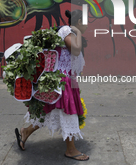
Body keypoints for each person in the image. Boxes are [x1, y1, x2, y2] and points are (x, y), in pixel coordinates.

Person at [15, 9, 89, 161]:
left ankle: (26, 131)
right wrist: (79, 33)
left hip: (66, 79)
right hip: (62, 81)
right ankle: (71, 150)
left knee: (50, 112)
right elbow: (75, 51)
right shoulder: (67, 30)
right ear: (80, 22)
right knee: (70, 113)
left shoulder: (70, 32)